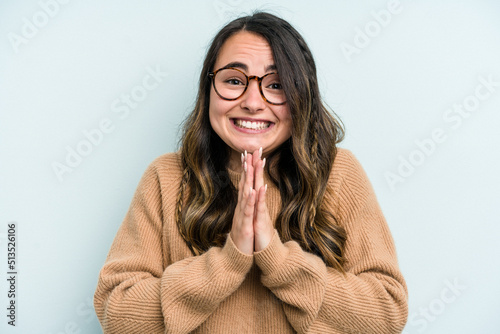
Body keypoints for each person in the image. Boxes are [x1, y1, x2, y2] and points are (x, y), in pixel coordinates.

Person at [94, 12, 408, 334]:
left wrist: (275, 255)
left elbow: (386, 314)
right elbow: (117, 313)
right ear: (209, 89)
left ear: (302, 96)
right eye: (234, 81)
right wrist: (231, 259)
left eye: (276, 85)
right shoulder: (167, 177)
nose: (253, 103)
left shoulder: (338, 173)